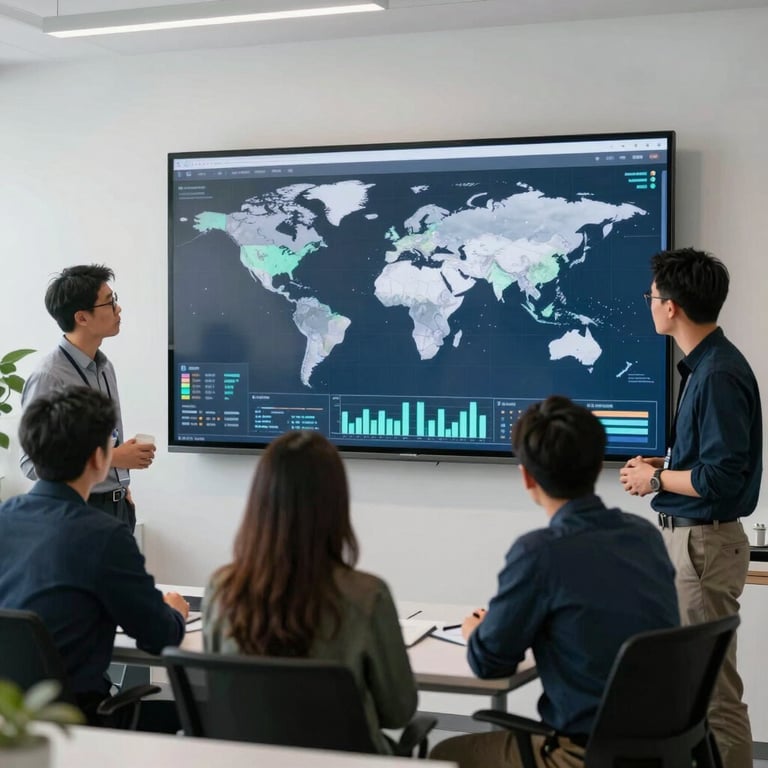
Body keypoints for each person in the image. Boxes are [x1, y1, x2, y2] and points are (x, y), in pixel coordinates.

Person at [431, 396, 679, 768]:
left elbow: (489, 664)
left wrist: (473, 631)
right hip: (660, 749)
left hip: (583, 755)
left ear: (527, 476)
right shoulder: (644, 536)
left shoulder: (539, 553)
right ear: (598, 465)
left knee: (443, 754)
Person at [619, 247, 762, 768]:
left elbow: (721, 478)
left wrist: (655, 476)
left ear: (672, 306)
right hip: (694, 543)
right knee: (692, 691)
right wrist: (671, 459)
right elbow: (713, 460)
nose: (649, 304)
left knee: (713, 694)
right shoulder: (707, 365)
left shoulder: (718, 374)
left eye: (652, 296)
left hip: (702, 545)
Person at [202, 430, 417, 754]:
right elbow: (398, 711)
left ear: (259, 501)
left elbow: (221, 697)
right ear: (336, 505)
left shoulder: (221, 591)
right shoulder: (367, 596)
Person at [0, 386, 189, 729]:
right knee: (197, 715)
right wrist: (175, 612)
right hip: (78, 724)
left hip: (12, 722)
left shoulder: (5, 517)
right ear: (99, 458)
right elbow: (159, 636)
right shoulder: (104, 536)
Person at [20, 264, 154, 531]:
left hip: (117, 507)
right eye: (110, 302)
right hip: (77, 513)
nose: (118, 309)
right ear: (82, 317)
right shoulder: (49, 376)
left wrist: (118, 490)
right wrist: (114, 458)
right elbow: (33, 464)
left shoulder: (104, 367)